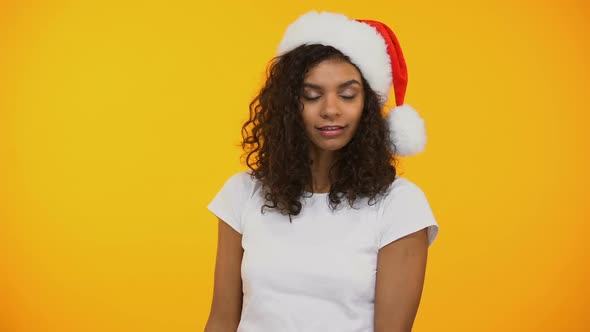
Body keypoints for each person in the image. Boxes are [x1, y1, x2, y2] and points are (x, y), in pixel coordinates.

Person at [204, 10, 439, 332]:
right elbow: (220, 321)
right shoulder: (242, 193)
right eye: (311, 96)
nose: (331, 109)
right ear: (288, 107)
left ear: (368, 105)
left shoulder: (400, 205)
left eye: (347, 95)